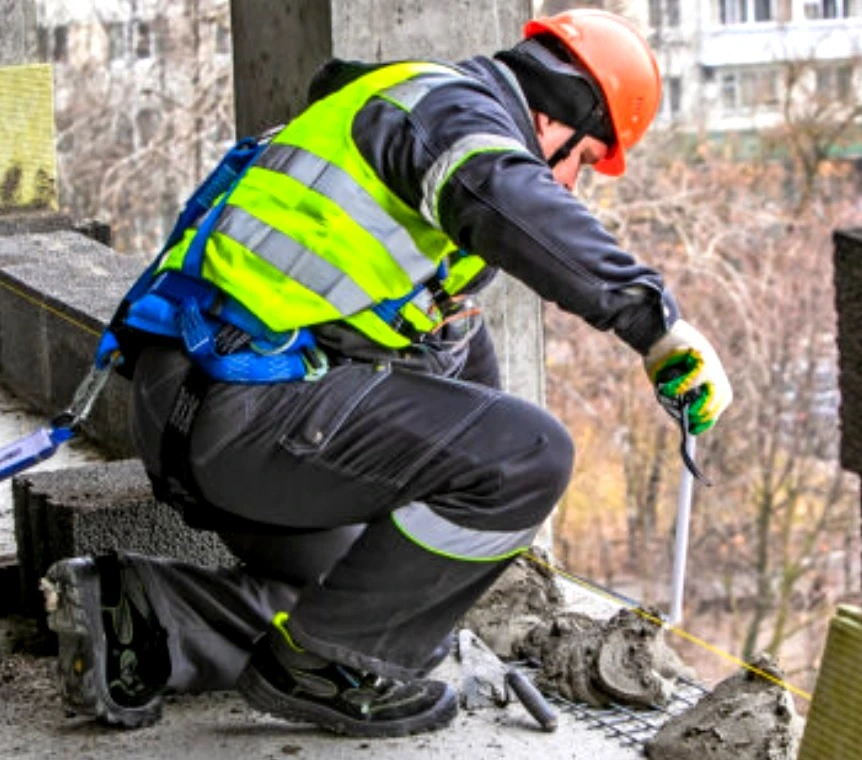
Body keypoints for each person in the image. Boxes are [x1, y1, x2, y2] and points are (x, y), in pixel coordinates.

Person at [42, 8, 732, 739]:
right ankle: (318, 670)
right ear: (555, 116)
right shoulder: (448, 114)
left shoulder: (383, 128)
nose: (571, 184)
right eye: (583, 162)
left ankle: (145, 611)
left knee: (386, 604)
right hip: (240, 407)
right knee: (534, 455)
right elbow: (510, 199)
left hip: (194, 408)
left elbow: (456, 396)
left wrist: (461, 568)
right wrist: (656, 324)